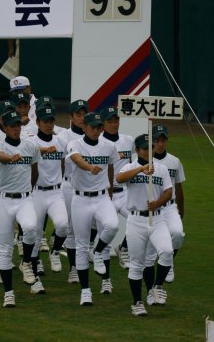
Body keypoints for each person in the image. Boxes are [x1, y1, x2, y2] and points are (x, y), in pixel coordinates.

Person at [116, 134, 173, 316]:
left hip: (157, 218)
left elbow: (168, 191)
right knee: (137, 264)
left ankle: (156, 287)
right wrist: (140, 169)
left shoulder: (161, 168)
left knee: (166, 251)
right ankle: (137, 303)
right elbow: (119, 178)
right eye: (144, 148)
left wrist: (158, 203)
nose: (148, 151)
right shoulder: (131, 167)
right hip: (136, 220)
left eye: (151, 147)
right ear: (137, 150)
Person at [67, 112, 120, 306]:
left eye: (99, 127)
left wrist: (111, 189)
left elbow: (111, 166)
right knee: (81, 245)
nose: (97, 130)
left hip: (102, 196)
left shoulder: (109, 145)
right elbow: (76, 160)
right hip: (80, 199)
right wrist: (90, 167)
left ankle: (97, 251)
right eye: (93, 127)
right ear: (84, 127)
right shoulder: (75, 143)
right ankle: (85, 291)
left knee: (113, 225)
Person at [0, 111, 41, 307]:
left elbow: (35, 170)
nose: (16, 128)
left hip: (24, 198)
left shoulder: (30, 145)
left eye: (18, 125)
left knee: (30, 228)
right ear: (5, 127)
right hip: (3, 200)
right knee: (5, 248)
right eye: (12, 125)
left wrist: (29, 188)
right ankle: (9, 293)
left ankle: (26, 262)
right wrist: (10, 159)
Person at [29, 105, 69, 275]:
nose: (49, 124)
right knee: (36, 231)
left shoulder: (60, 141)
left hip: (55, 192)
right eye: (45, 121)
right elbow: (26, 153)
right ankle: (35, 261)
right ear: (37, 122)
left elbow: (63, 163)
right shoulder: (32, 142)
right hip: (36, 192)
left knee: (63, 225)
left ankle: (55, 251)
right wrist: (43, 150)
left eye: (51, 121)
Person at [149, 124, 186, 285]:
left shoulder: (174, 161)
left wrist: (181, 210)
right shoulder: (144, 160)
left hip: (169, 206)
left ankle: (169, 262)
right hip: (150, 208)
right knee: (149, 250)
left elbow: (178, 187)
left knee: (177, 234)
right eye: (156, 140)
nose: (160, 143)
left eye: (163, 140)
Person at [58, 100, 89, 284]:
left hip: (91, 188)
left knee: (94, 225)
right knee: (71, 229)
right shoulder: (63, 137)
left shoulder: (94, 134)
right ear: (71, 117)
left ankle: (93, 252)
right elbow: (60, 163)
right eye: (78, 114)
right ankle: (74, 268)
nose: (82, 117)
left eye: (84, 113)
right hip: (69, 186)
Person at [100, 106, 134, 269]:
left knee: (141, 221)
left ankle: (123, 248)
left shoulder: (128, 140)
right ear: (103, 123)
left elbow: (139, 155)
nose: (114, 124)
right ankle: (105, 278)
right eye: (110, 121)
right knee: (106, 230)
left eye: (116, 120)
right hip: (107, 193)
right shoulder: (98, 142)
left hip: (125, 191)